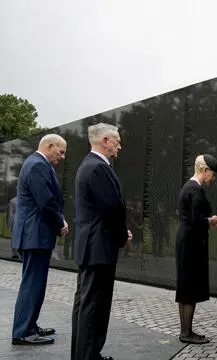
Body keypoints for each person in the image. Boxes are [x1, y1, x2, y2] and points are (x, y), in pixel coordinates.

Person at [71, 123, 132, 360]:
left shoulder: (91, 165)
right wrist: (121, 235)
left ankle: (86, 354)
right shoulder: (97, 167)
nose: (120, 145)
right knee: (93, 306)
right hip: (98, 246)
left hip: (93, 246)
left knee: (87, 305)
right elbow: (112, 208)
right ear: (105, 140)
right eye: (117, 139)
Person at [11, 134, 69, 345]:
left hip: (35, 235)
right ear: (49, 146)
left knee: (36, 283)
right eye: (60, 151)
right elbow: (45, 201)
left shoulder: (36, 163)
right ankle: (23, 332)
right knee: (32, 284)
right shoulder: (37, 165)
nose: (62, 157)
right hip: (34, 235)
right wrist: (60, 222)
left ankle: (30, 325)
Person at [175, 154, 217, 344]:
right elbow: (196, 221)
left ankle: (185, 331)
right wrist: (210, 220)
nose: (214, 178)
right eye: (213, 174)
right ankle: (186, 333)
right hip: (192, 244)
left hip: (186, 242)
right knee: (190, 288)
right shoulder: (195, 191)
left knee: (186, 287)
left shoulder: (188, 187)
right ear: (204, 170)